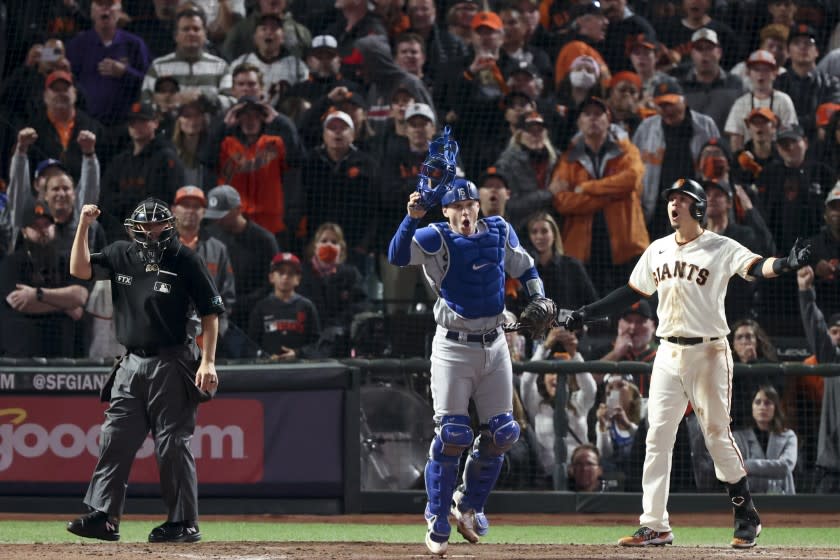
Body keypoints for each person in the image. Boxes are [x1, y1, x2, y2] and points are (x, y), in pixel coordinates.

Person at [564, 177, 812, 548]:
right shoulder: (658, 249)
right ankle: (655, 524)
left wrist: (786, 264)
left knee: (716, 435)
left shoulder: (720, 246)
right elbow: (630, 293)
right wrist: (587, 314)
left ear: (697, 207)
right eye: (670, 199)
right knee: (657, 436)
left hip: (709, 352)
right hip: (667, 352)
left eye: (681, 199)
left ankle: (746, 513)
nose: (673, 205)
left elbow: (757, 266)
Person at [387, 129, 547, 555]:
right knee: (454, 433)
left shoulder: (499, 230)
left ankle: (468, 504)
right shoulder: (435, 236)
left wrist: (539, 299)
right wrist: (411, 217)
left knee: (505, 432)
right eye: (455, 206)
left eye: (468, 205)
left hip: (495, 344)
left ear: (478, 205)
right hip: (453, 346)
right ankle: (436, 516)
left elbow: (527, 269)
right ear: (447, 209)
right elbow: (397, 256)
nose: (463, 213)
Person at [67, 198, 224, 543]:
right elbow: (79, 270)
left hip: (174, 360)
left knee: (171, 443)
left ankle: (183, 522)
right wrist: (83, 225)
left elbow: (211, 313)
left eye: (157, 225)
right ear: (133, 228)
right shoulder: (121, 253)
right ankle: (104, 517)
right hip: (130, 362)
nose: (150, 231)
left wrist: (209, 361)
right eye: (144, 226)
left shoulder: (185, 259)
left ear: (169, 226)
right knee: (115, 437)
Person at [521, 326, 596, 488]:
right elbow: (526, 380)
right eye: (550, 373)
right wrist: (545, 347)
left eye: (560, 373)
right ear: (543, 378)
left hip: (581, 474)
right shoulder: (536, 404)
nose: (555, 377)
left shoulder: (579, 402)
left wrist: (574, 354)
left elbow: (591, 388)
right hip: (549, 477)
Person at [797, 265, 840, 493]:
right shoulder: (834, 359)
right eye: (836, 331)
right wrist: (806, 293)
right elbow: (817, 330)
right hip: (832, 469)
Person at [248, 252, 322, 360]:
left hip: (301, 368)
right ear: (271, 277)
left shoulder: (307, 307)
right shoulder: (261, 307)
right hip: (267, 368)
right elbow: (251, 343)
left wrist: (298, 353)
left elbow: (316, 344)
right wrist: (263, 356)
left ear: (298, 279)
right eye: (281, 272)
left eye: (291, 273)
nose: (285, 277)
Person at [733, 385, 798, 494]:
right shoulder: (738, 438)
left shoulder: (789, 436)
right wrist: (773, 467)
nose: (762, 407)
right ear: (752, 407)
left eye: (768, 403)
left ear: (775, 407)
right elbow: (735, 469)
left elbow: (785, 467)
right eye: (758, 402)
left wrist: (748, 465)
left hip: (783, 502)